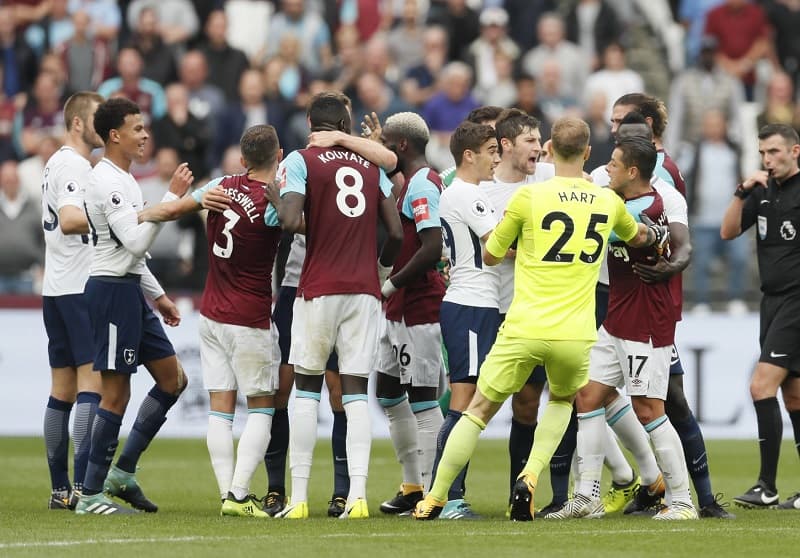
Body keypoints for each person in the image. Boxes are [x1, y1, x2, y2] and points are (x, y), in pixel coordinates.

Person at [413, 116, 669, 521]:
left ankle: (434, 498)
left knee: (477, 409)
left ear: (550, 147)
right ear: (587, 153)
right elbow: (637, 236)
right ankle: (530, 476)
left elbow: (493, 254)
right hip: (575, 331)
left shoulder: (529, 198)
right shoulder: (606, 200)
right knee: (563, 402)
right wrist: (655, 235)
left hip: (524, 323)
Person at [593, 97, 733, 519]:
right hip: (611, 296)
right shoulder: (610, 172)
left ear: (646, 128)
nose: (614, 128)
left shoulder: (663, 178)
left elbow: (676, 239)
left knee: (668, 398)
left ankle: (696, 498)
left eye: (622, 122)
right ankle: (643, 486)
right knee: (593, 392)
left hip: (651, 306)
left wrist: (667, 267)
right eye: (613, 121)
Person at [136, 124, 284, 518]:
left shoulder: (218, 186)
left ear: (241, 159)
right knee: (262, 407)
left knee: (220, 408)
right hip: (250, 318)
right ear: (280, 156)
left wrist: (137, 215)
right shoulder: (276, 203)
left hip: (211, 313)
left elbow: (171, 209)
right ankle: (238, 495)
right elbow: (307, 225)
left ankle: (227, 495)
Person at [270, 92, 403, 519]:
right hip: (363, 290)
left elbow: (290, 222)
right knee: (354, 393)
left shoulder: (299, 160)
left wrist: (276, 196)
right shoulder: (371, 165)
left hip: (318, 288)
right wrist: (380, 273)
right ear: (346, 125)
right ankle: (359, 497)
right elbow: (397, 234)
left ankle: (299, 498)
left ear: (309, 120)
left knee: (306, 388)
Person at [552, 137, 697, 521]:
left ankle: (681, 501)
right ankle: (588, 496)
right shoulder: (618, 200)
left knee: (648, 408)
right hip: (615, 315)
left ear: (633, 172)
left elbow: (604, 229)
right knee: (587, 396)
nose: (607, 169)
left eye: (614, 164)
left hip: (646, 321)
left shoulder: (650, 205)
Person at [75, 98, 193, 515]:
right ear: (114, 136)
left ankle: (122, 473)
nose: (145, 135)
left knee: (174, 379)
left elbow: (134, 254)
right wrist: (171, 201)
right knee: (116, 395)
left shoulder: (124, 179)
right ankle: (89, 495)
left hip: (129, 289)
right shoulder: (106, 181)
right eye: (137, 128)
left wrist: (157, 295)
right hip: (109, 292)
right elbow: (135, 242)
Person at [721, 123, 800, 511]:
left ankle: (766, 486)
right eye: (763, 154)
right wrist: (741, 191)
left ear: (795, 151)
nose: (768, 160)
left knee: (761, 386)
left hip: (797, 302)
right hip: (772, 303)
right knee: (795, 395)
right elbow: (727, 231)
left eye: (775, 152)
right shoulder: (762, 191)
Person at [374, 112, 446, 514]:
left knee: (422, 399)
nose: (382, 148)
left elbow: (431, 247)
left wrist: (391, 282)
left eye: (385, 142)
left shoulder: (422, 185)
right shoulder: (413, 182)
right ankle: (412, 486)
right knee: (387, 391)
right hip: (400, 307)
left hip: (419, 305)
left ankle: (431, 492)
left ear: (402, 146)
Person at [429, 121, 501, 520]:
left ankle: (445, 493)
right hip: (470, 304)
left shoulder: (468, 193)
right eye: (491, 150)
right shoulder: (466, 193)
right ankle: (447, 498)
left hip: (476, 303)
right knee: (463, 403)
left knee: (470, 402)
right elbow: (496, 247)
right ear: (469, 155)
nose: (497, 158)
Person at [41, 91, 104, 510]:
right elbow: (69, 220)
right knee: (90, 386)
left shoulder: (57, 163)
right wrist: (117, 217)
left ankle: (60, 489)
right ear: (78, 123)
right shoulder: (72, 165)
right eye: (100, 117)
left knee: (61, 390)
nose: (106, 123)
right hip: (79, 288)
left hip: (56, 288)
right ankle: (82, 489)